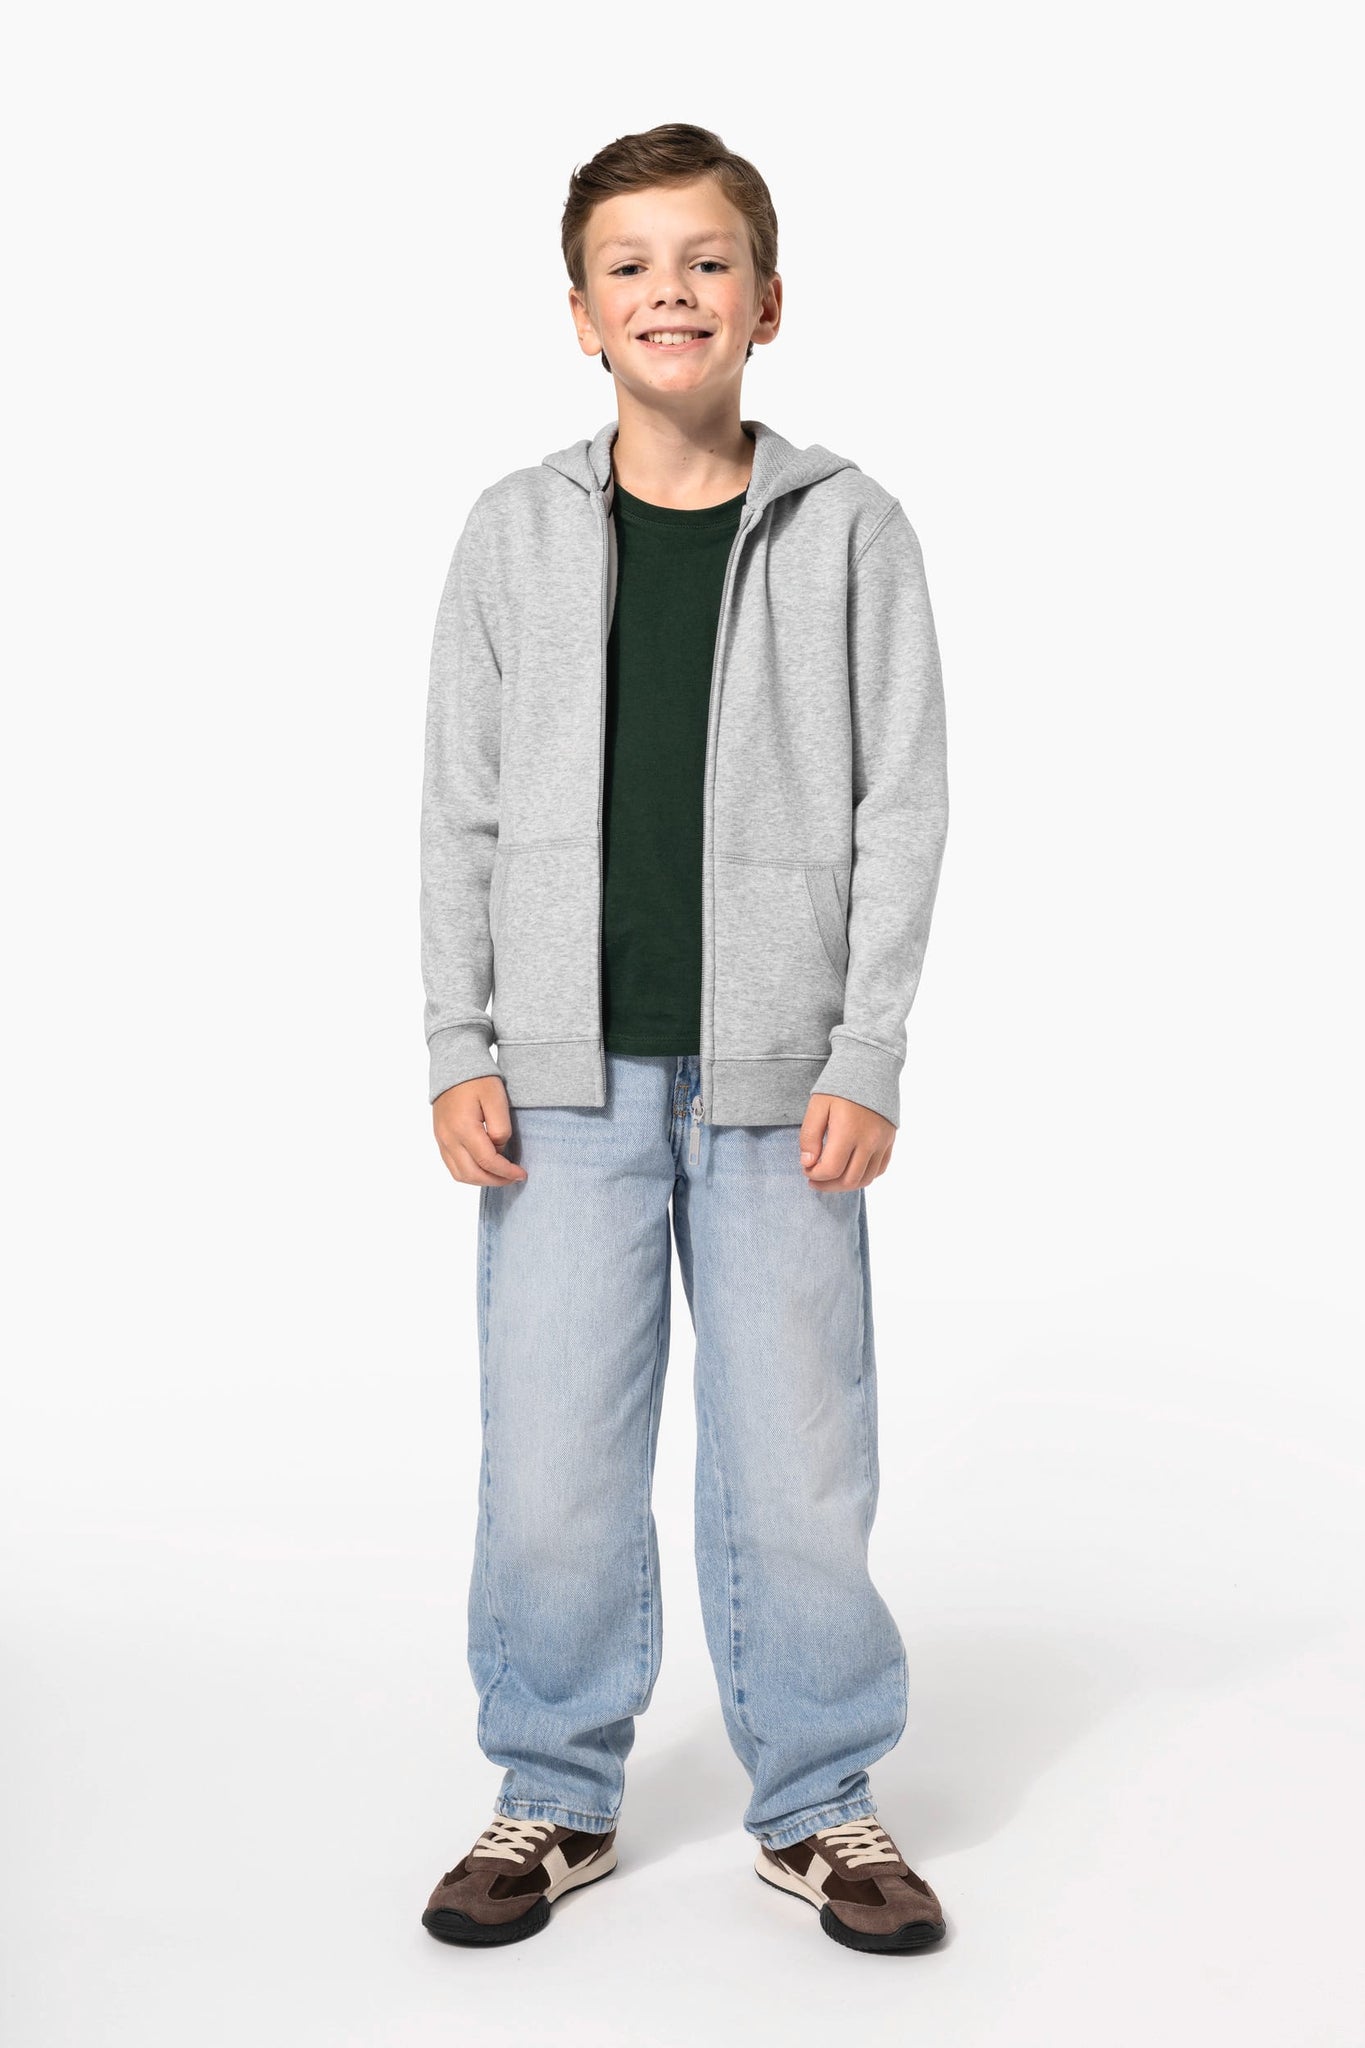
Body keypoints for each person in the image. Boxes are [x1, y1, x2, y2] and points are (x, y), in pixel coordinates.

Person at [417, 123, 950, 1955]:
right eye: (630, 266)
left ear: (767, 302)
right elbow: (459, 809)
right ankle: (551, 1789)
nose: (672, 292)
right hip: (557, 1084)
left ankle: (821, 1801)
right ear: (580, 314)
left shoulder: (850, 528)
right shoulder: (511, 533)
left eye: (707, 261)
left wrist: (864, 1050)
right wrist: (459, 1036)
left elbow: (903, 806)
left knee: (797, 1462)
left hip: (779, 1087)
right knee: (552, 1463)